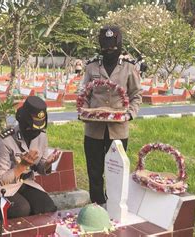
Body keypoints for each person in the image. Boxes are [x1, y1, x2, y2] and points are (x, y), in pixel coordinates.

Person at [80, 26, 142, 205]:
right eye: (105, 48)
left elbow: (136, 94)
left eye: (113, 48)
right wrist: (83, 110)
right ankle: (97, 204)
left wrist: (130, 114)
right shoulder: (92, 66)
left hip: (118, 129)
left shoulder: (129, 68)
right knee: (94, 169)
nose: (109, 51)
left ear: (119, 45)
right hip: (94, 128)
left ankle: (114, 204)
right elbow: (84, 93)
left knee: (116, 169)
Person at [0, 96, 59, 219]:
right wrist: (22, 166)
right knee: (21, 209)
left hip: (25, 183)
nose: (35, 132)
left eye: (38, 128)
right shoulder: (5, 141)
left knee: (47, 208)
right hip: (0, 187)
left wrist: (47, 164)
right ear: (23, 122)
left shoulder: (41, 136)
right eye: (31, 128)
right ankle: (0, 217)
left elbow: (40, 167)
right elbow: (1, 180)